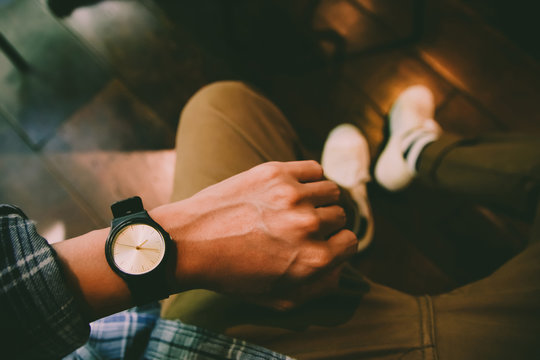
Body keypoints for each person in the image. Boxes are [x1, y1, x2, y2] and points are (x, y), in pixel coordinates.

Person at [0, 82, 539, 359]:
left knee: (220, 105)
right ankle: (421, 152)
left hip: (141, 338)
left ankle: (346, 221)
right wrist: (184, 241)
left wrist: (182, 238)